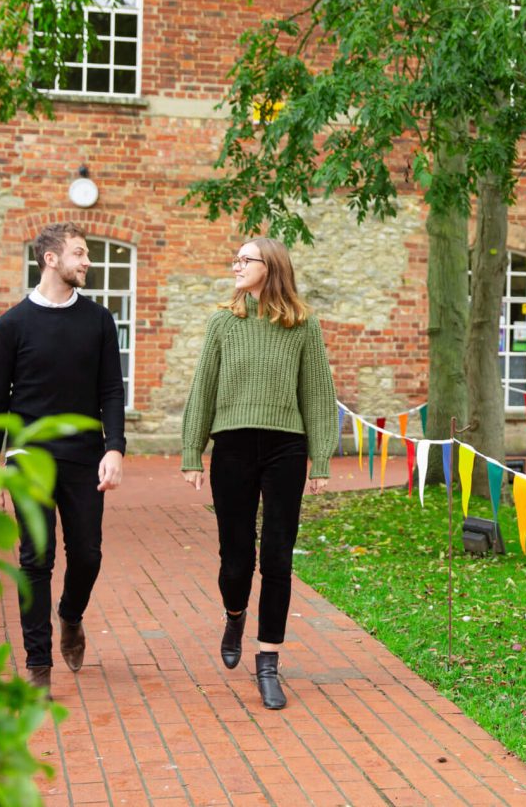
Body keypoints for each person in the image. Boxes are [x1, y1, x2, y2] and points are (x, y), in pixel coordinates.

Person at [180, 238, 337, 710]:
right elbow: (203, 388)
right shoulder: (223, 322)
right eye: (235, 259)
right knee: (235, 560)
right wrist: (192, 452)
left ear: (270, 267)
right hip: (232, 446)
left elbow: (317, 393)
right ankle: (235, 613)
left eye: (244, 260)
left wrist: (321, 459)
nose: (236, 265)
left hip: (286, 447)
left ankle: (268, 660)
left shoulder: (302, 325)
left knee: (278, 557)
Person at [0, 222, 126, 694]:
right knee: (36, 559)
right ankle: (38, 664)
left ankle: (70, 615)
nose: (87, 261)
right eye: (79, 253)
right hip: (28, 456)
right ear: (51, 259)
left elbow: (111, 390)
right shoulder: (11, 325)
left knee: (87, 554)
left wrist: (114, 447)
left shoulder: (99, 320)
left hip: (84, 456)